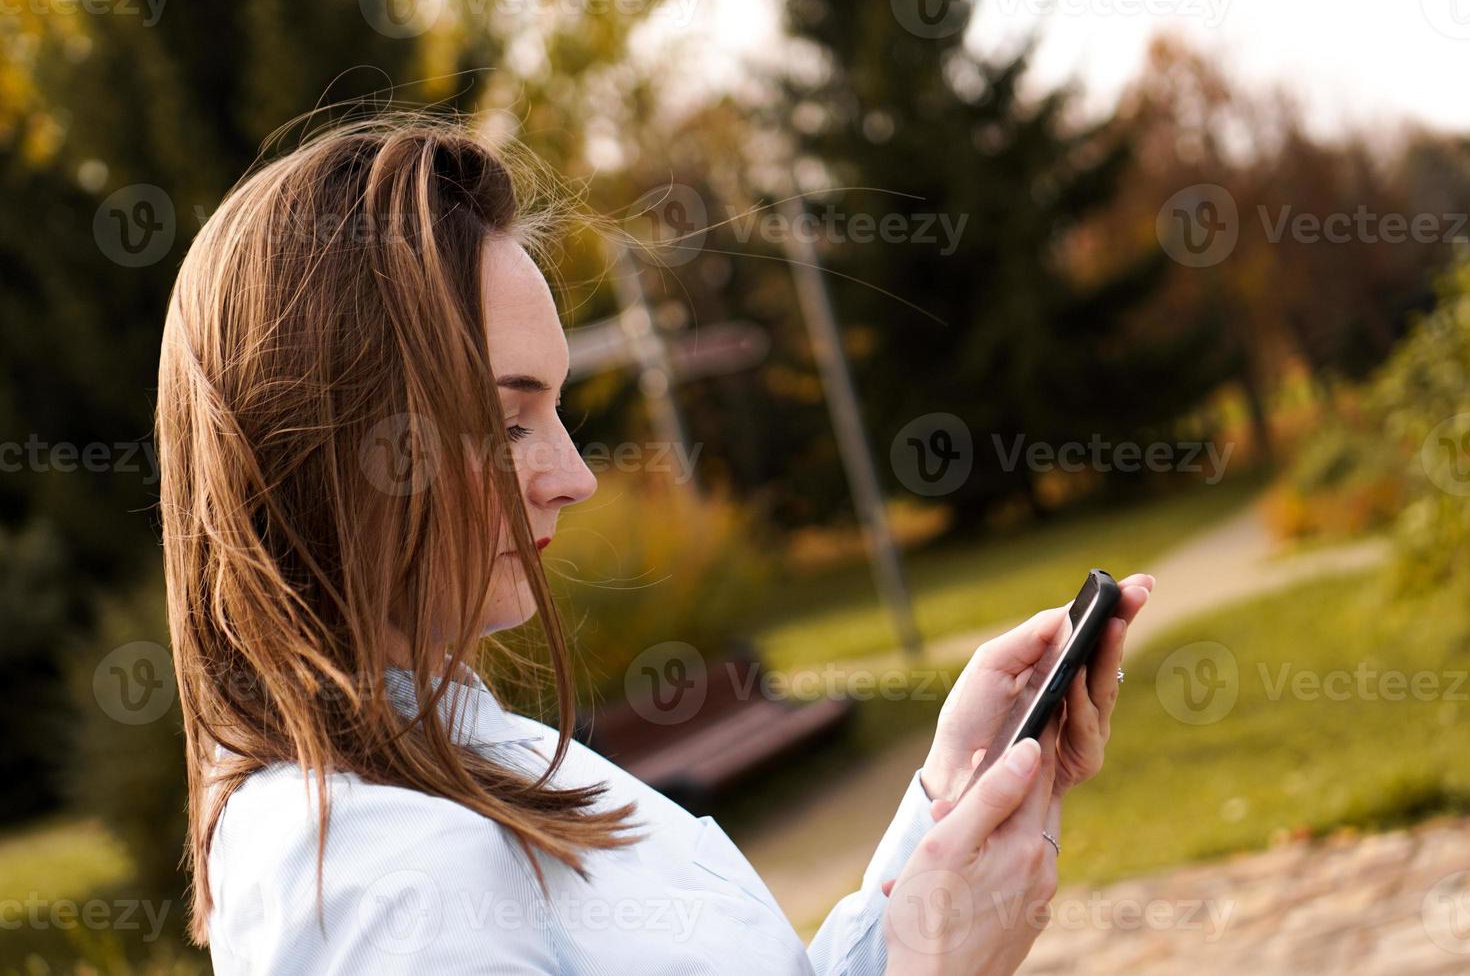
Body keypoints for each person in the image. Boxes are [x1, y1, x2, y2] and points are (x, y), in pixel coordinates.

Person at [155, 113, 1154, 975]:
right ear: (329, 447)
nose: (574, 476)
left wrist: (950, 797)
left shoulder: (456, 751)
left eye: (555, 411)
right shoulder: (384, 878)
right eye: (507, 421)